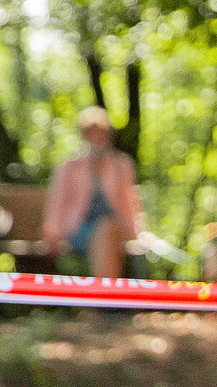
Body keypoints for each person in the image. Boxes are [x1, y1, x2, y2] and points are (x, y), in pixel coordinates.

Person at [41, 107, 143, 278]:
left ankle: (98, 300)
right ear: (84, 135)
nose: (97, 138)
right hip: (79, 229)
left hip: (116, 229)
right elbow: (57, 203)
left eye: (102, 133)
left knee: (108, 230)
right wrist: (52, 234)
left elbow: (130, 204)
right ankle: (106, 298)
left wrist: (139, 234)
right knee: (105, 232)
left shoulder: (121, 165)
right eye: (91, 133)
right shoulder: (69, 168)